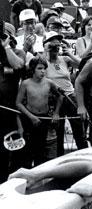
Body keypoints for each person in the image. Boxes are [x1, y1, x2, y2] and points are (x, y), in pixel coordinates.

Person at [43, 31, 87, 157]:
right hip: (55, 99)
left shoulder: (64, 59)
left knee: (79, 131)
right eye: (52, 45)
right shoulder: (42, 61)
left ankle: (82, 157)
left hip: (70, 96)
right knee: (59, 132)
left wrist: (69, 53)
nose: (55, 48)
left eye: (58, 45)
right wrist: (47, 52)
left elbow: (84, 65)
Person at [15, 56, 63, 167]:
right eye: (39, 68)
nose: (43, 71)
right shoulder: (26, 84)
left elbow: (60, 97)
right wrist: (31, 116)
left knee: (40, 147)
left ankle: (38, 172)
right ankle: (26, 171)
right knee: (28, 148)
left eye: (44, 68)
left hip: (44, 118)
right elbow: (18, 103)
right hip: (29, 118)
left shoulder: (49, 83)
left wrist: (56, 113)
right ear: (32, 69)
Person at [0, 22, 26, 183]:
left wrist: (6, 46)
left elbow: (18, 65)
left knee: (8, 152)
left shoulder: (17, 52)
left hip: (9, 113)